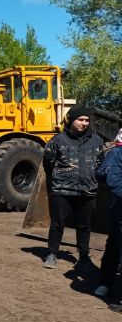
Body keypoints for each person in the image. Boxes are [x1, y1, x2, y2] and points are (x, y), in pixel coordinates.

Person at [42, 105, 104, 269]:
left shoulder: (97, 141)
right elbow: (48, 163)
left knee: (84, 226)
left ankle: (84, 256)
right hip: (63, 189)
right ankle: (52, 254)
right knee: (57, 223)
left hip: (88, 190)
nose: (84, 123)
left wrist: (92, 178)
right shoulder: (58, 140)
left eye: (87, 120)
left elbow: (101, 163)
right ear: (71, 120)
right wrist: (58, 177)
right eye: (80, 119)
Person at [95, 129, 122, 302]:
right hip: (119, 210)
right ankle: (106, 283)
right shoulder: (117, 153)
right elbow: (112, 179)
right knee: (113, 246)